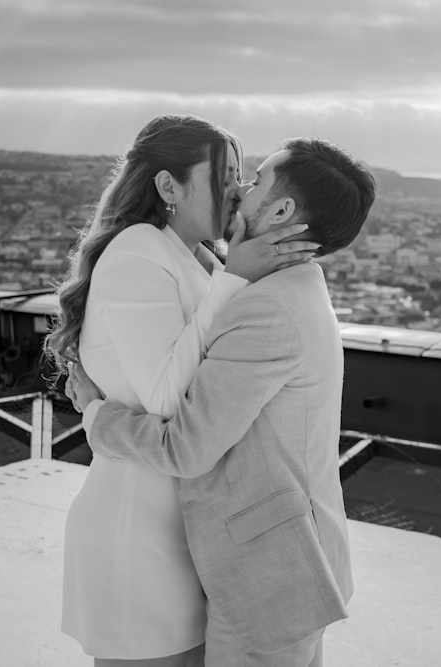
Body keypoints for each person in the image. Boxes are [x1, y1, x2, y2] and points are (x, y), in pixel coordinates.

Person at [66, 137, 376, 666]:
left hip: (269, 572)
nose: (241, 190)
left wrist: (94, 413)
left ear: (280, 211)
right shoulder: (296, 285)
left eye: (255, 180)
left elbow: (188, 446)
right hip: (282, 558)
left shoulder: (266, 307)